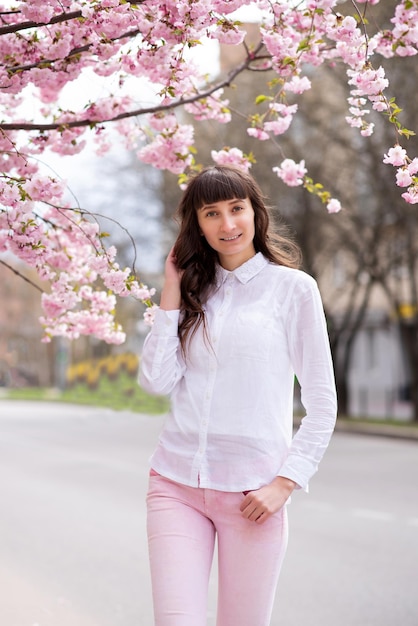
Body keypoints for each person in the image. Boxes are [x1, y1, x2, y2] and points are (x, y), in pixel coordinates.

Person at [139, 165, 337, 626]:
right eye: (212, 213)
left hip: (253, 496)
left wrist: (286, 482)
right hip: (176, 484)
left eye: (236, 209)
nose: (227, 224)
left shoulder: (293, 290)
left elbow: (322, 401)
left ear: (254, 213)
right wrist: (171, 287)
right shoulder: (191, 291)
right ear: (197, 224)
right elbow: (156, 381)